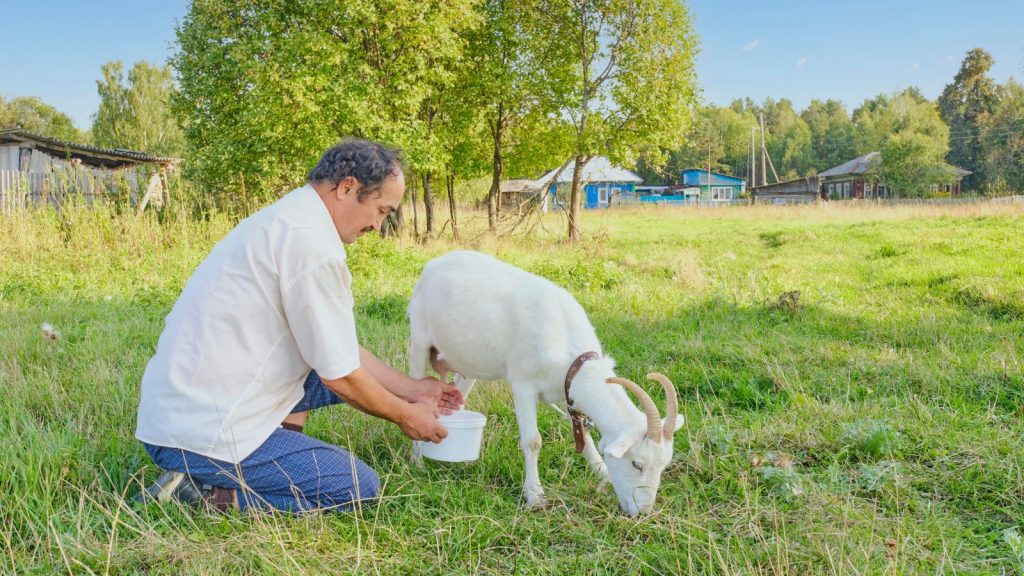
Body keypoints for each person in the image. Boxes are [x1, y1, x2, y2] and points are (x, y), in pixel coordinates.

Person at [135, 139, 463, 513]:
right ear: (347, 188)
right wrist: (407, 416)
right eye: (380, 210)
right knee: (357, 487)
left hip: (189, 409)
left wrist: (416, 392)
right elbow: (342, 376)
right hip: (201, 431)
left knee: (332, 373)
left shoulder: (291, 218)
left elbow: (340, 351)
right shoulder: (309, 245)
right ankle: (206, 496)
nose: (377, 224)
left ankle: (253, 460)